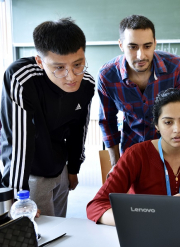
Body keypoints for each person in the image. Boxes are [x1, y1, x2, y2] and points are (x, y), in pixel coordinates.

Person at [0, 18, 95, 217]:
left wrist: (73, 168)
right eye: (59, 68)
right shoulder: (21, 77)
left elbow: (80, 129)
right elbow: (17, 142)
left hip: (60, 165)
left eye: (78, 64)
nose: (71, 76)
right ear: (40, 62)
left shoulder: (86, 83)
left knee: (59, 225)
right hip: (29, 171)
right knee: (35, 231)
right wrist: (18, 198)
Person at [87, 89, 180, 225]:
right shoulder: (136, 154)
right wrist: (140, 220)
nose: (177, 129)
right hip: (143, 229)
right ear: (157, 125)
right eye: (168, 122)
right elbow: (96, 205)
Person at [98, 15, 180, 167]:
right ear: (121, 45)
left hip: (169, 149)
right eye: (133, 47)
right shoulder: (107, 76)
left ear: (155, 44)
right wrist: (115, 163)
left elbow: (179, 115)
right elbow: (107, 121)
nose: (141, 55)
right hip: (131, 149)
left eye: (147, 46)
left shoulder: (176, 68)